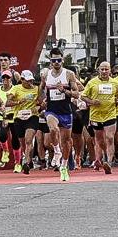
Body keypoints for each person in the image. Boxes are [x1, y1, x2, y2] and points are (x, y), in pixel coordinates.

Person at [39, 48, 82, 182]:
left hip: (65, 111)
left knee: (67, 141)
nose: (56, 62)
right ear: (50, 61)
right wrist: (42, 101)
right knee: (53, 129)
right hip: (52, 110)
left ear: (62, 60)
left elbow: (76, 93)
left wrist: (64, 90)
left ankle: (64, 165)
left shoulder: (69, 74)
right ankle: (56, 151)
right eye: (54, 60)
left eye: (59, 60)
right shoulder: (46, 75)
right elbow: (41, 90)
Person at [80, 61, 118, 174]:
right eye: (102, 69)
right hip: (96, 116)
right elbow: (83, 96)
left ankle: (109, 162)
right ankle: (104, 155)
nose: (104, 72)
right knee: (100, 140)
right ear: (98, 70)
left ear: (110, 71)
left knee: (110, 137)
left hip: (110, 114)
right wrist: (92, 101)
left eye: (106, 69)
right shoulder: (92, 82)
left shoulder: (115, 83)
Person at [5, 70, 40, 174]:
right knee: (23, 142)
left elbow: (42, 102)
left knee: (29, 140)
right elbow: (8, 103)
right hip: (19, 118)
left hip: (32, 117)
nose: (30, 83)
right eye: (27, 81)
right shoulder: (16, 89)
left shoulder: (36, 89)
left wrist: (38, 107)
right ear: (22, 80)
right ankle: (28, 158)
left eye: (31, 81)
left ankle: (26, 162)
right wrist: (18, 102)